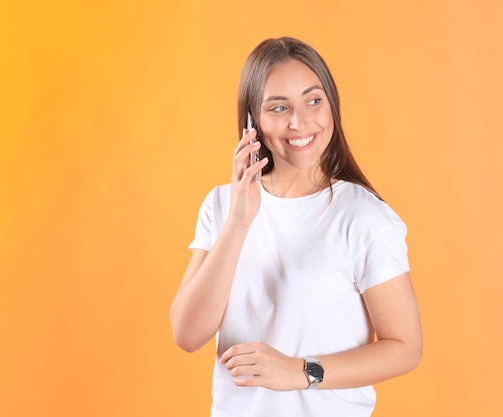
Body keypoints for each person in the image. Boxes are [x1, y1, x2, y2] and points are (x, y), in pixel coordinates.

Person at [170, 36, 422, 417]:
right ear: (252, 120)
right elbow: (187, 334)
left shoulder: (363, 217)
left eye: (313, 101)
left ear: (331, 107)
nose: (298, 121)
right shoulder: (222, 205)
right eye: (278, 107)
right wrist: (238, 222)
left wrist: (302, 371)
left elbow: (405, 347)